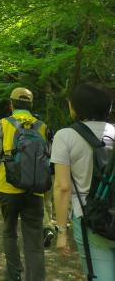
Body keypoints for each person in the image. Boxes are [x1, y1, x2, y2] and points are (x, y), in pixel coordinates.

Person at [52, 83, 115, 280]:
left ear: (76, 107)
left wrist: (62, 232)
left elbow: (62, 187)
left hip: (89, 218)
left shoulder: (65, 136)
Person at [0, 87, 48, 281]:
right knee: (34, 240)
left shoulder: (4, 123)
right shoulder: (42, 126)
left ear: (11, 104)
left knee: (9, 231)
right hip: (35, 189)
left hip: (8, 187)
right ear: (31, 105)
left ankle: (14, 274)